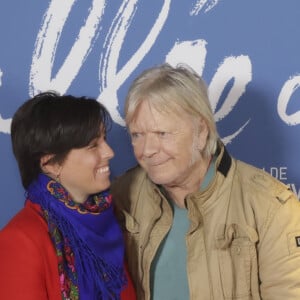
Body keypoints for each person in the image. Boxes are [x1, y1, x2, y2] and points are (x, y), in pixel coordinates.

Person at [111, 63, 300, 300]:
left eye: (162, 134)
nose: (147, 150)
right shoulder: (122, 195)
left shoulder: (272, 209)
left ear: (201, 132)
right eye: (137, 135)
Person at [0, 92, 136, 300]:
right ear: (50, 164)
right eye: (93, 145)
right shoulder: (20, 241)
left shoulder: (108, 222)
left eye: (104, 140)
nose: (109, 152)